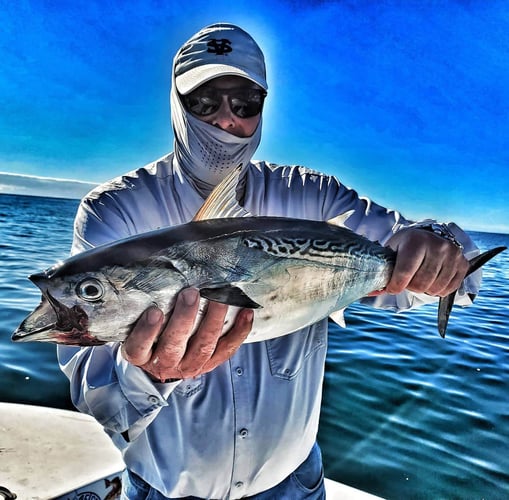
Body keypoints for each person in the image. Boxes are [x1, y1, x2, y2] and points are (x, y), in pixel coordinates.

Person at [58, 23, 479, 499]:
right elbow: (96, 389)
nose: (225, 120)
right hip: (166, 488)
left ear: (262, 109)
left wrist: (441, 247)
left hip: (293, 484)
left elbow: (442, 276)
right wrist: (149, 372)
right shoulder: (116, 209)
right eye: (203, 101)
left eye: (244, 104)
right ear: (176, 103)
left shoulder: (313, 197)